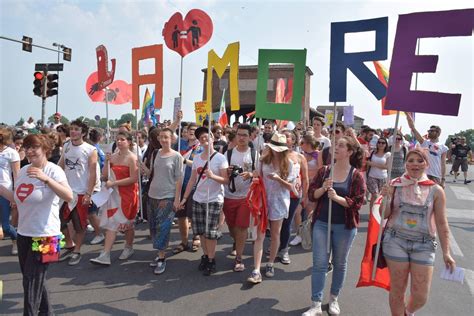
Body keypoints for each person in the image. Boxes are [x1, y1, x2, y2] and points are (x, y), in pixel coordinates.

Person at [0, 134, 73, 315]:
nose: (30, 151)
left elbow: (68, 196)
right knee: (33, 280)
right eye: (27, 147)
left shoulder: (54, 171)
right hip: (24, 233)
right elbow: (17, 199)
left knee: (31, 282)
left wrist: (46, 179)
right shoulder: (24, 171)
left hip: (48, 236)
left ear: (45, 150)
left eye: (34, 147)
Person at [380, 148, 456, 316]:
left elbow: (442, 223)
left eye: (419, 160)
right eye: (411, 160)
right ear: (405, 163)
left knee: (421, 295)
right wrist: (387, 197)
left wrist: (447, 253)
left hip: (424, 244)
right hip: (395, 241)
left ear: (426, 164)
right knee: (398, 290)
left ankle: (408, 312)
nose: (415, 164)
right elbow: (383, 215)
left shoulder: (436, 190)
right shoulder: (394, 184)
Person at [303, 136, 365, 316]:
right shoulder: (324, 171)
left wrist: (337, 198)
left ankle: (333, 299)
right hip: (322, 223)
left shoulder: (356, 176)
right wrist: (323, 188)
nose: (335, 147)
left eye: (341, 145)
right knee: (320, 263)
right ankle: (315, 303)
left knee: (339, 263)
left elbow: (358, 203)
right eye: (335, 144)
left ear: (350, 152)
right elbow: (312, 195)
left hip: (345, 226)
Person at [179, 126, 229, 276]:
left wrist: (213, 176)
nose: (204, 139)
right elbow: (192, 180)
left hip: (214, 199)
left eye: (207, 136)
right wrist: (184, 198)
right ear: (199, 142)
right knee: (201, 231)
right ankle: (206, 256)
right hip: (198, 198)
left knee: (210, 233)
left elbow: (226, 180)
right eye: (201, 138)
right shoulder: (197, 159)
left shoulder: (221, 158)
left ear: (213, 138)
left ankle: (212, 260)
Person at [247, 133, 295, 284]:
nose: (275, 151)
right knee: (260, 236)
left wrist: (278, 178)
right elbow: (257, 176)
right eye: (273, 148)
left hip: (279, 202)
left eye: (278, 149)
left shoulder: (289, 164)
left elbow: (291, 187)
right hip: (263, 201)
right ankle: (256, 270)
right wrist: (253, 176)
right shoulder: (263, 161)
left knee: (275, 234)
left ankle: (270, 263)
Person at [90, 131, 138, 265]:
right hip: (113, 195)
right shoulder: (113, 156)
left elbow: (134, 179)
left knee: (127, 224)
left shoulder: (132, 158)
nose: (119, 142)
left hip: (127, 195)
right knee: (111, 224)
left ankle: (128, 247)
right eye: (117, 139)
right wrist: (106, 162)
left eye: (122, 139)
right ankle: (105, 254)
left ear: (129, 142)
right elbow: (104, 175)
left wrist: (115, 183)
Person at [58, 119, 101, 265]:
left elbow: (93, 173)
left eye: (76, 129)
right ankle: (70, 245)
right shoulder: (66, 146)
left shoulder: (90, 149)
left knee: (79, 225)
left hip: (81, 193)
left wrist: (89, 193)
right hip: (66, 192)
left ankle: (77, 251)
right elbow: (61, 165)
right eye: (72, 129)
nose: (73, 131)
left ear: (83, 133)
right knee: (60, 222)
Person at [140, 128, 183, 274]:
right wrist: (140, 165)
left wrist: (177, 199)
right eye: (162, 137)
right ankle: (159, 254)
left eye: (167, 137)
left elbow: (179, 180)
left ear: (172, 139)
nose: (164, 140)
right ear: (158, 139)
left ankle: (162, 257)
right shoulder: (155, 153)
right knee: (153, 227)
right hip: (152, 195)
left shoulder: (177, 157)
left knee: (163, 228)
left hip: (167, 197)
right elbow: (151, 173)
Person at [223, 124, 256, 272]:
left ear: (250, 137)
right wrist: (228, 172)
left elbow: (259, 173)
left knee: (242, 227)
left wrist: (251, 174)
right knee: (232, 228)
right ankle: (236, 242)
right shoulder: (228, 154)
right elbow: (222, 175)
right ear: (236, 136)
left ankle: (239, 258)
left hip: (246, 196)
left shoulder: (255, 154)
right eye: (239, 134)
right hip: (229, 196)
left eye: (245, 135)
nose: (241, 138)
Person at [279, 129, 308, 264]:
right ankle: (276, 245)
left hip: (294, 195)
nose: (285, 139)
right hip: (277, 193)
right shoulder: (275, 154)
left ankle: (284, 250)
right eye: (282, 136)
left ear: (294, 140)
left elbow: (305, 179)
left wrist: (304, 197)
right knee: (275, 223)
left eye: (287, 137)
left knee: (287, 222)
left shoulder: (300, 157)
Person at [173, 122, 203, 253]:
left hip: (194, 185)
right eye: (190, 129)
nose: (192, 131)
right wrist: (177, 119)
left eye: (195, 130)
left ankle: (196, 237)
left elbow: (200, 164)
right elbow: (169, 132)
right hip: (179, 184)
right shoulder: (180, 144)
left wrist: (184, 160)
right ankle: (184, 241)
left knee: (193, 215)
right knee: (181, 214)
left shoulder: (201, 147)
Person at [290, 134, 320, 247]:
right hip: (302, 187)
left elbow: (322, 171)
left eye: (302, 143)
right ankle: (299, 235)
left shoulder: (318, 155)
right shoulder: (300, 155)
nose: (300, 145)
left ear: (308, 144)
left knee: (310, 213)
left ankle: (312, 235)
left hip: (314, 187)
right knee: (297, 212)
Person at [406, 113, 448, 187]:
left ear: (438, 133)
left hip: (435, 176)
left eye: (431, 131)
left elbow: (443, 164)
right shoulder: (424, 142)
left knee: (433, 197)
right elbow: (413, 128)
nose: (429, 132)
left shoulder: (443, 147)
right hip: (423, 174)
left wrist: (443, 179)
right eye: (429, 131)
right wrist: (407, 113)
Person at [0, 127, 20, 254]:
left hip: (5, 191)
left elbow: (17, 175)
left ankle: (16, 240)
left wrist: (15, 197)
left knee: (6, 226)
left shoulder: (11, 153)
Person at [366, 137, 391, 211]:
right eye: (379, 142)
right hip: (372, 176)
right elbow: (367, 163)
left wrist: (373, 164)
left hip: (383, 177)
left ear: (386, 144)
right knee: (375, 195)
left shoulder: (388, 154)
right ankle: (372, 213)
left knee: (380, 196)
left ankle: (377, 212)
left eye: (383, 143)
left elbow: (387, 167)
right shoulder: (373, 152)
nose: (381, 144)